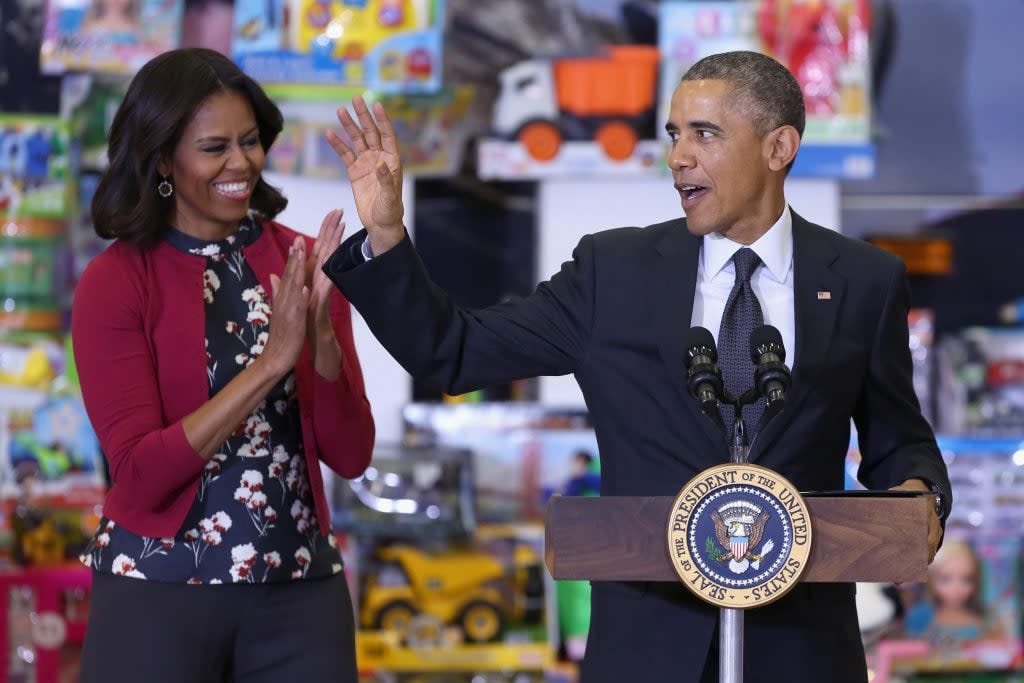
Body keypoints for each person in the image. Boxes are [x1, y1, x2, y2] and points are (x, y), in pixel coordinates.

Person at [321, 50, 952, 683]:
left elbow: (898, 437)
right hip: (648, 649)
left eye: (704, 134)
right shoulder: (611, 274)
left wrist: (921, 492)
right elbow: (452, 352)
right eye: (674, 134)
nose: (678, 156)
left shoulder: (864, 280)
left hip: (800, 646)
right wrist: (386, 238)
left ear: (778, 147)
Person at [72, 48, 374, 682]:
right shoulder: (117, 281)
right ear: (162, 160)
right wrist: (268, 365)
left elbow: (351, 456)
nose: (241, 163)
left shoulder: (303, 262)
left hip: (299, 591)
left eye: (250, 141)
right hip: (157, 591)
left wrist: (320, 338)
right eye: (215, 148)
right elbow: (139, 474)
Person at [905, 540, 994, 643]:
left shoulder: (982, 616)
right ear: (931, 581)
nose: (957, 588)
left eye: (967, 579)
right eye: (945, 579)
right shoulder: (921, 615)